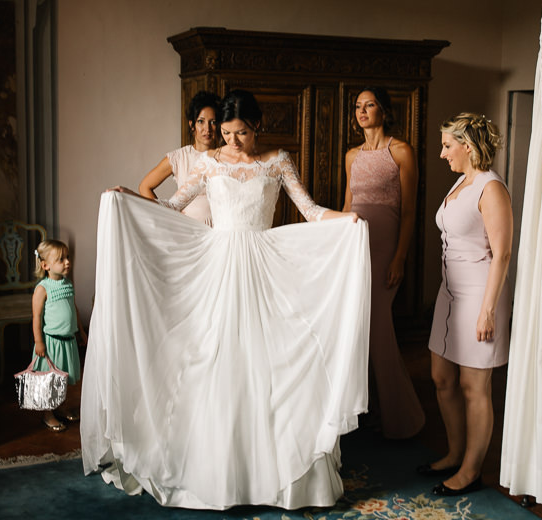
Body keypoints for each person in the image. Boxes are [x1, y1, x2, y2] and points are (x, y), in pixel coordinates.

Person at [82, 89, 371, 510]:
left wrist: (345, 219)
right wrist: (128, 200)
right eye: (226, 132)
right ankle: (210, 470)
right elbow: (174, 207)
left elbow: (308, 210)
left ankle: (272, 474)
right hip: (216, 267)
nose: (231, 141)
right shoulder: (209, 162)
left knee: (267, 362)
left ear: (258, 128)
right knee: (209, 358)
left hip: (263, 267)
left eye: (241, 133)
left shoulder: (278, 161)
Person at [418, 113, 512, 496]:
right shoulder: (462, 181)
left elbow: (502, 254)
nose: (443, 154)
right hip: (449, 294)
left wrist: (487, 310)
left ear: (468, 147)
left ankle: (472, 471)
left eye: (447, 146)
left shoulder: (491, 188)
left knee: (475, 387)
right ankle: (455, 452)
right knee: (442, 378)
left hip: (479, 295)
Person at [342, 87, 425, 439]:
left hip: (386, 244)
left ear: (384, 110)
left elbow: (409, 211)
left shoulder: (401, 151)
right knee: (357, 327)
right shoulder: (352, 156)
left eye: (369, 104)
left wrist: (400, 257)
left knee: (377, 325)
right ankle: (369, 410)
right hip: (355, 243)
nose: (362, 111)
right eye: (358, 106)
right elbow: (347, 206)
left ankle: (402, 417)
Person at [138, 90, 221, 225]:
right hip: (189, 232)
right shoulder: (179, 158)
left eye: (213, 122)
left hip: (220, 232)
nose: (207, 129)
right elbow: (144, 187)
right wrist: (168, 216)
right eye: (201, 121)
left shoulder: (226, 156)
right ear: (191, 124)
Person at [31, 239, 88, 432]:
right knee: (51, 380)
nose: (67, 262)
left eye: (68, 257)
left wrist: (80, 331)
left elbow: (74, 309)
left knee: (64, 379)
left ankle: (60, 408)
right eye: (61, 259)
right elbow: (37, 317)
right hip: (51, 343)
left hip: (68, 341)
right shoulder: (42, 289)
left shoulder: (68, 284)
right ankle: (48, 414)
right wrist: (38, 341)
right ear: (45, 265)